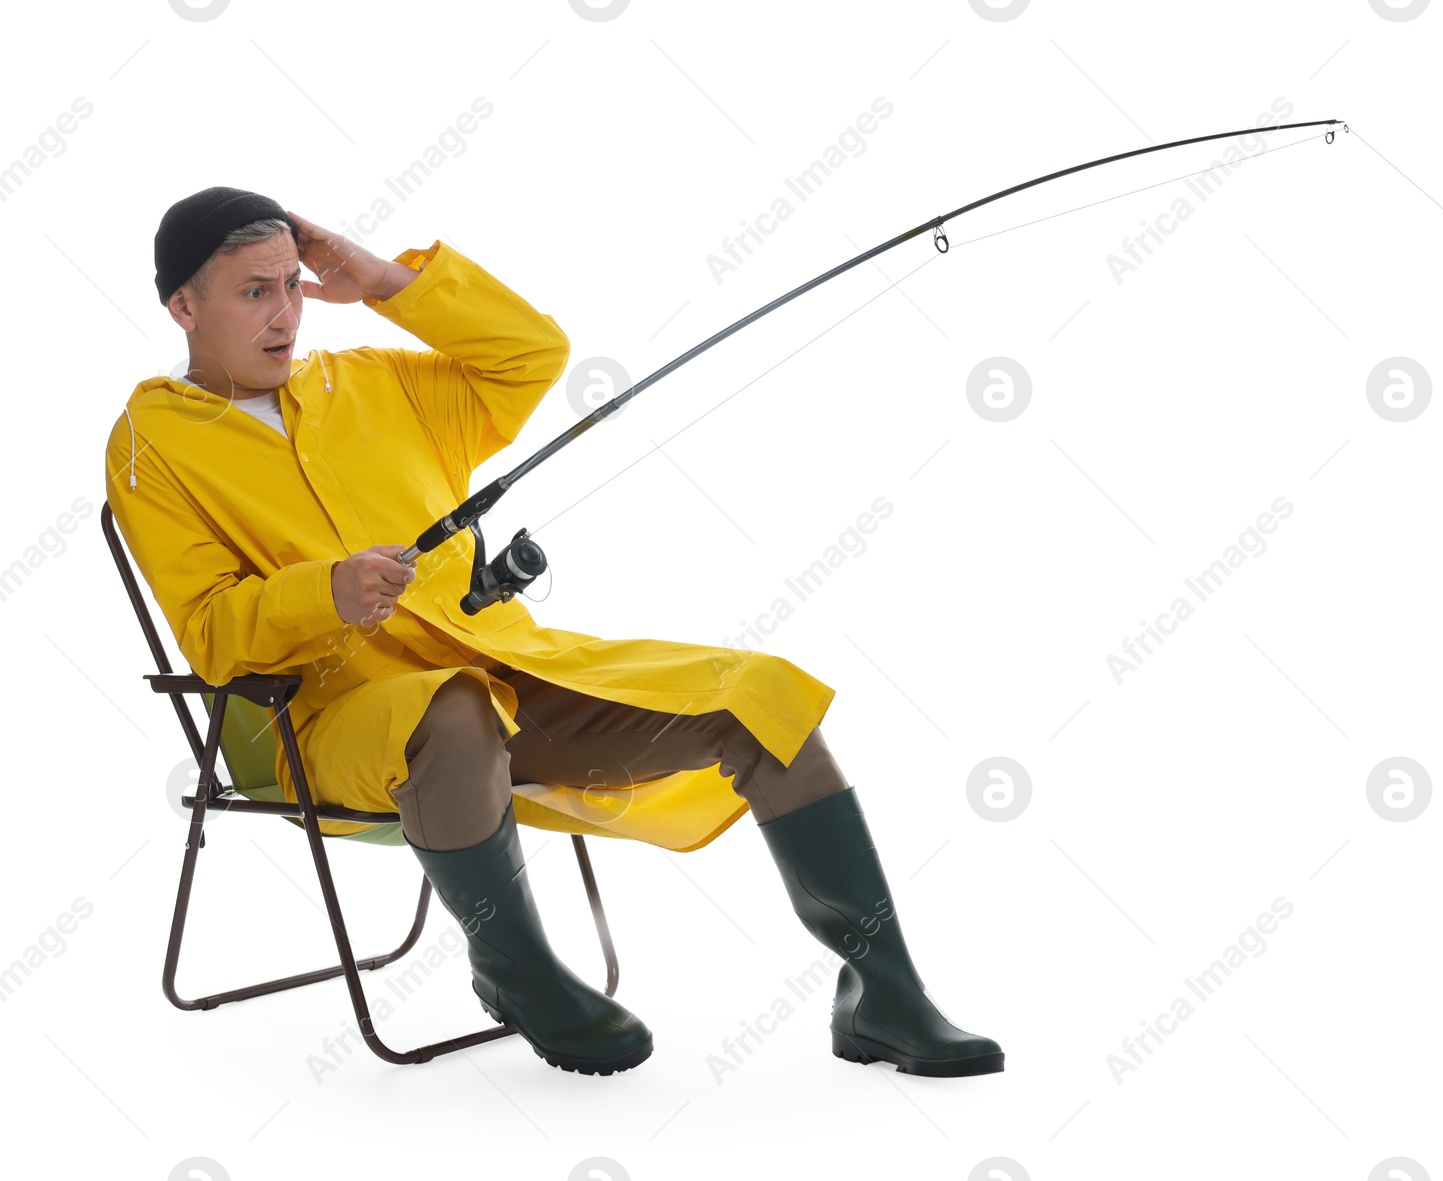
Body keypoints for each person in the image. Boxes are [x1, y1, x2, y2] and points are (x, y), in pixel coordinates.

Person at [105, 186, 1003, 1078]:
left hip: (509, 673)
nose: (287, 312)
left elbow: (531, 354)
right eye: (254, 291)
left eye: (293, 283)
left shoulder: (373, 382)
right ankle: (515, 969)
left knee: (764, 695)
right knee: (452, 708)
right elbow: (212, 631)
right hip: (318, 722)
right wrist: (326, 593)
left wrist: (385, 280)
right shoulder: (152, 441)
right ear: (184, 305)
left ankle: (884, 987)